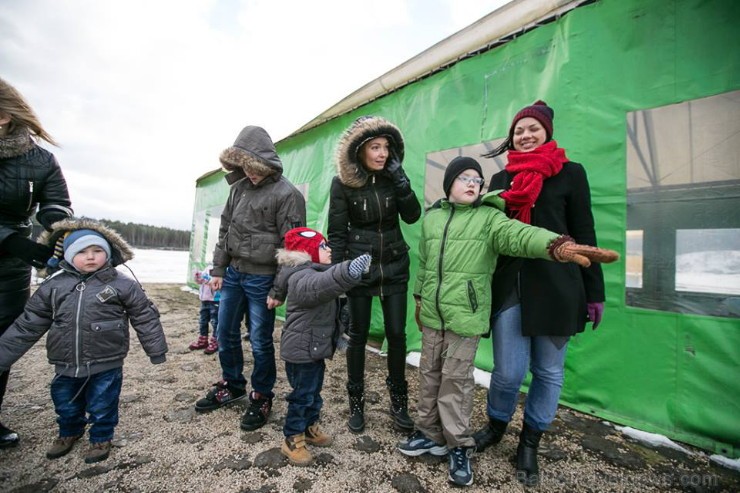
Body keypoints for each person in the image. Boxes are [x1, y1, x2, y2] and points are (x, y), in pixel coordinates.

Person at [396, 157, 617, 487]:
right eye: (464, 178)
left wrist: (557, 246)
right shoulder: (432, 218)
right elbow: (425, 264)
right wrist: (418, 298)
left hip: (465, 318)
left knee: (455, 381)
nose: (473, 183)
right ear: (449, 185)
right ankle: (431, 434)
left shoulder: (489, 218)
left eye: (478, 179)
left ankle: (458, 444)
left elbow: (521, 235)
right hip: (432, 315)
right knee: (428, 375)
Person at [472, 100, 607, 487]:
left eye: (533, 129)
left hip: (558, 286)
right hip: (511, 285)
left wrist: (593, 291)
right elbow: (489, 239)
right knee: (509, 371)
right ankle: (496, 425)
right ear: (511, 137)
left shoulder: (570, 174)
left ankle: (529, 443)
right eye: (519, 130)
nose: (526, 135)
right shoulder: (501, 180)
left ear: (547, 132)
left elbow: (585, 232)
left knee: (548, 371)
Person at [0, 219, 168, 463]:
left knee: (103, 404)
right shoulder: (54, 285)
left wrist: (156, 351)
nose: (90, 257)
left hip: (107, 361)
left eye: (97, 251)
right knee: (65, 402)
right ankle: (69, 431)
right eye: (82, 252)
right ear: (68, 256)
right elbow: (29, 323)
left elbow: (144, 316)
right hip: (66, 361)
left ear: (107, 253)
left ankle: (101, 437)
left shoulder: (122, 284)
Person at [194, 125, 306, 434]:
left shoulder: (287, 194)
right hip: (233, 275)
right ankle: (232, 385)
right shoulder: (237, 189)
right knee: (225, 331)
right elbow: (224, 231)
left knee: (259, 341)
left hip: (262, 279)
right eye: (245, 167)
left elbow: (293, 246)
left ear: (267, 163)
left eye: (256, 168)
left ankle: (261, 395)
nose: (251, 173)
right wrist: (218, 270)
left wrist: (279, 288)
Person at [328, 115, 421, 433]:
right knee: (358, 335)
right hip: (360, 267)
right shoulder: (342, 183)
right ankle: (356, 402)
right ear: (360, 150)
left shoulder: (394, 177)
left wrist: (402, 180)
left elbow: (412, 215)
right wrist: (337, 278)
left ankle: (399, 402)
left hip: (395, 265)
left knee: (397, 335)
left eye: (386, 147)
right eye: (375, 147)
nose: (382, 154)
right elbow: (337, 232)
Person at [0, 77, 73, 448]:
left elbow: (56, 202)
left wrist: (56, 228)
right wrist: (10, 239)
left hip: (10, 268)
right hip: (12, 245)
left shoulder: (39, 159)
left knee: (3, 342)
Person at [272, 227, 371, 466]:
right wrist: (349, 269)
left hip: (313, 348)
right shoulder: (301, 277)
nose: (330, 249)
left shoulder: (313, 271)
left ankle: (308, 427)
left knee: (313, 394)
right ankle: (291, 439)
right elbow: (322, 284)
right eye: (323, 246)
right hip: (301, 351)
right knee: (302, 396)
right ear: (308, 252)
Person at [189, 266, 220, 355]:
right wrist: (197, 277)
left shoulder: (220, 269)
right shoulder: (207, 268)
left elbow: (214, 282)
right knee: (202, 321)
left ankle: (215, 341)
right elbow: (200, 281)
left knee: (215, 322)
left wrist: (204, 277)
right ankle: (203, 339)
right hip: (204, 299)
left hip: (215, 300)